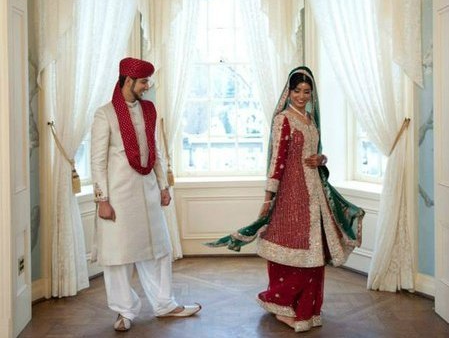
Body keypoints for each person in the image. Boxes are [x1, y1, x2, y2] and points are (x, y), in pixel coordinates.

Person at [207, 66, 364, 333]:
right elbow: (277, 161)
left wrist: (322, 159)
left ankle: (307, 309)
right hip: (291, 195)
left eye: (307, 92)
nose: (302, 96)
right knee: (291, 248)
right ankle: (282, 306)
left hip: (314, 194)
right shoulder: (284, 119)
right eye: (297, 91)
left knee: (314, 252)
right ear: (288, 92)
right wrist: (268, 199)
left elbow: (316, 153)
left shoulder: (311, 120)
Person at [91, 57, 201, 332]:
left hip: (148, 190)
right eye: (143, 82)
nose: (146, 87)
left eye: (147, 82)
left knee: (159, 250)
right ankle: (124, 311)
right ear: (128, 80)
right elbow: (97, 161)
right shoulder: (105, 114)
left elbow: (156, 150)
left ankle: (165, 305)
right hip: (119, 196)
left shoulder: (149, 110)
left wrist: (163, 186)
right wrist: (102, 199)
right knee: (118, 257)